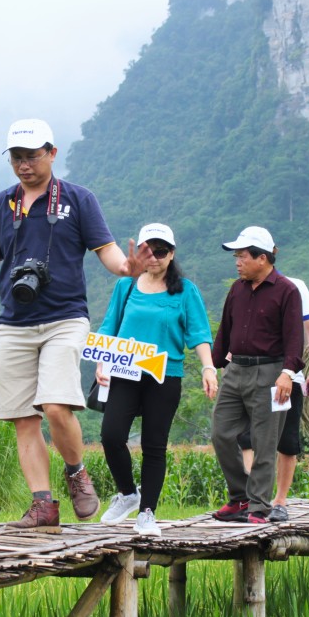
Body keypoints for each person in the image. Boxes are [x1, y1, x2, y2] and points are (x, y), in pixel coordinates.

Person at [0, 119, 151, 531]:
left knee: (56, 405)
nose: (24, 165)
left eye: (32, 156)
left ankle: (76, 472)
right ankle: (43, 504)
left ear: (52, 153)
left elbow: (108, 250)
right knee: (24, 418)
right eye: (17, 158)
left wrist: (127, 269)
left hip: (64, 319)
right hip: (13, 324)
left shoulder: (78, 199)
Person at [95, 223, 217, 536]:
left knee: (154, 445)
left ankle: (147, 512)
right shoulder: (127, 285)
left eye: (161, 251)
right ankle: (127, 494)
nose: (154, 258)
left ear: (172, 254)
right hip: (126, 368)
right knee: (111, 434)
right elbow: (109, 325)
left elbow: (199, 333)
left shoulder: (185, 290)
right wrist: (102, 360)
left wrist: (208, 368)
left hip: (165, 374)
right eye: (148, 251)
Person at [210, 226, 304, 524]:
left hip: (271, 373)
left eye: (242, 256)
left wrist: (288, 373)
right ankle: (239, 498)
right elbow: (225, 329)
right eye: (236, 256)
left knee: (265, 441)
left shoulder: (287, 290)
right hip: (235, 369)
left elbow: (294, 337)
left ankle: (258, 507)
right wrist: (212, 366)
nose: (237, 262)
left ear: (262, 258)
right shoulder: (237, 288)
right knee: (221, 433)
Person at [235, 276, 309, 520]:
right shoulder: (243, 287)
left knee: (286, 440)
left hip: (287, 377)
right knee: (246, 438)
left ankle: (280, 500)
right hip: (248, 376)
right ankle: (252, 498)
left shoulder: (294, 286)